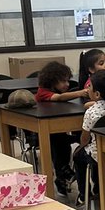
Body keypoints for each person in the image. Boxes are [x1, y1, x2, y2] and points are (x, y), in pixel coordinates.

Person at [35, 61, 87, 196]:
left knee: (64, 145)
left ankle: (63, 175)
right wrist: (80, 93)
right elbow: (58, 98)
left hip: (58, 130)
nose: (67, 85)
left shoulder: (56, 91)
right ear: (52, 81)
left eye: (67, 81)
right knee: (59, 145)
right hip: (43, 131)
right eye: (63, 81)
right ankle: (63, 173)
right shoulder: (43, 92)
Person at [73, 68, 105, 189]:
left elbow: (85, 139)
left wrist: (81, 146)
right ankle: (98, 185)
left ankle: (83, 193)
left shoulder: (92, 112)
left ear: (97, 94)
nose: (87, 89)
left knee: (77, 155)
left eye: (90, 87)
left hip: (97, 153)